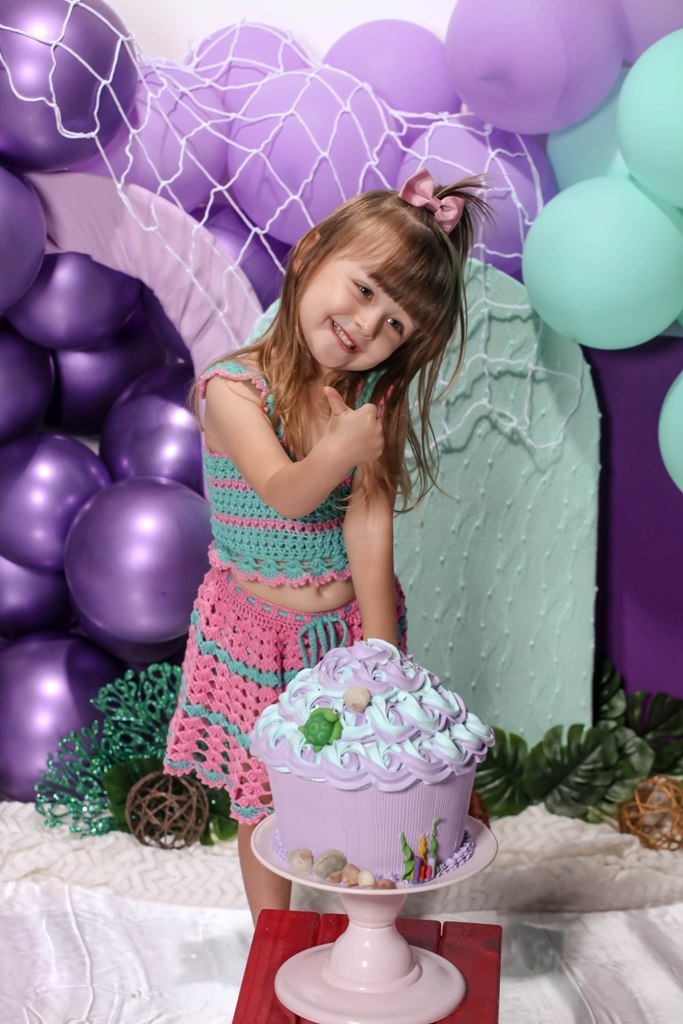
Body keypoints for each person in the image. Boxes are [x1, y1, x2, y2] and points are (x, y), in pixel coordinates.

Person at [164, 168, 490, 922]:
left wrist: (380, 656)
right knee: (264, 795)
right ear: (311, 252)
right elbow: (286, 492)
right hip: (256, 634)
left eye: (395, 324)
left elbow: (368, 522)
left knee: (366, 788)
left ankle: (363, 929)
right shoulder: (231, 389)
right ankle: (273, 933)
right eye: (365, 289)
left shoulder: (371, 403)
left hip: (344, 632)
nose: (366, 326)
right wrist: (340, 448)